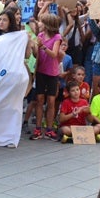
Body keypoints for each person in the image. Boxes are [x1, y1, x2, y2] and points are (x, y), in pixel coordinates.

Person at [31, 13, 64, 141]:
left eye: (43, 22)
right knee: (39, 100)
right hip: (40, 71)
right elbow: (35, 53)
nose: (40, 24)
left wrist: (43, 46)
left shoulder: (57, 37)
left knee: (51, 101)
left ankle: (49, 129)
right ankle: (38, 128)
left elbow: (54, 54)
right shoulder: (39, 36)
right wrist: (35, 48)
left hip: (52, 73)